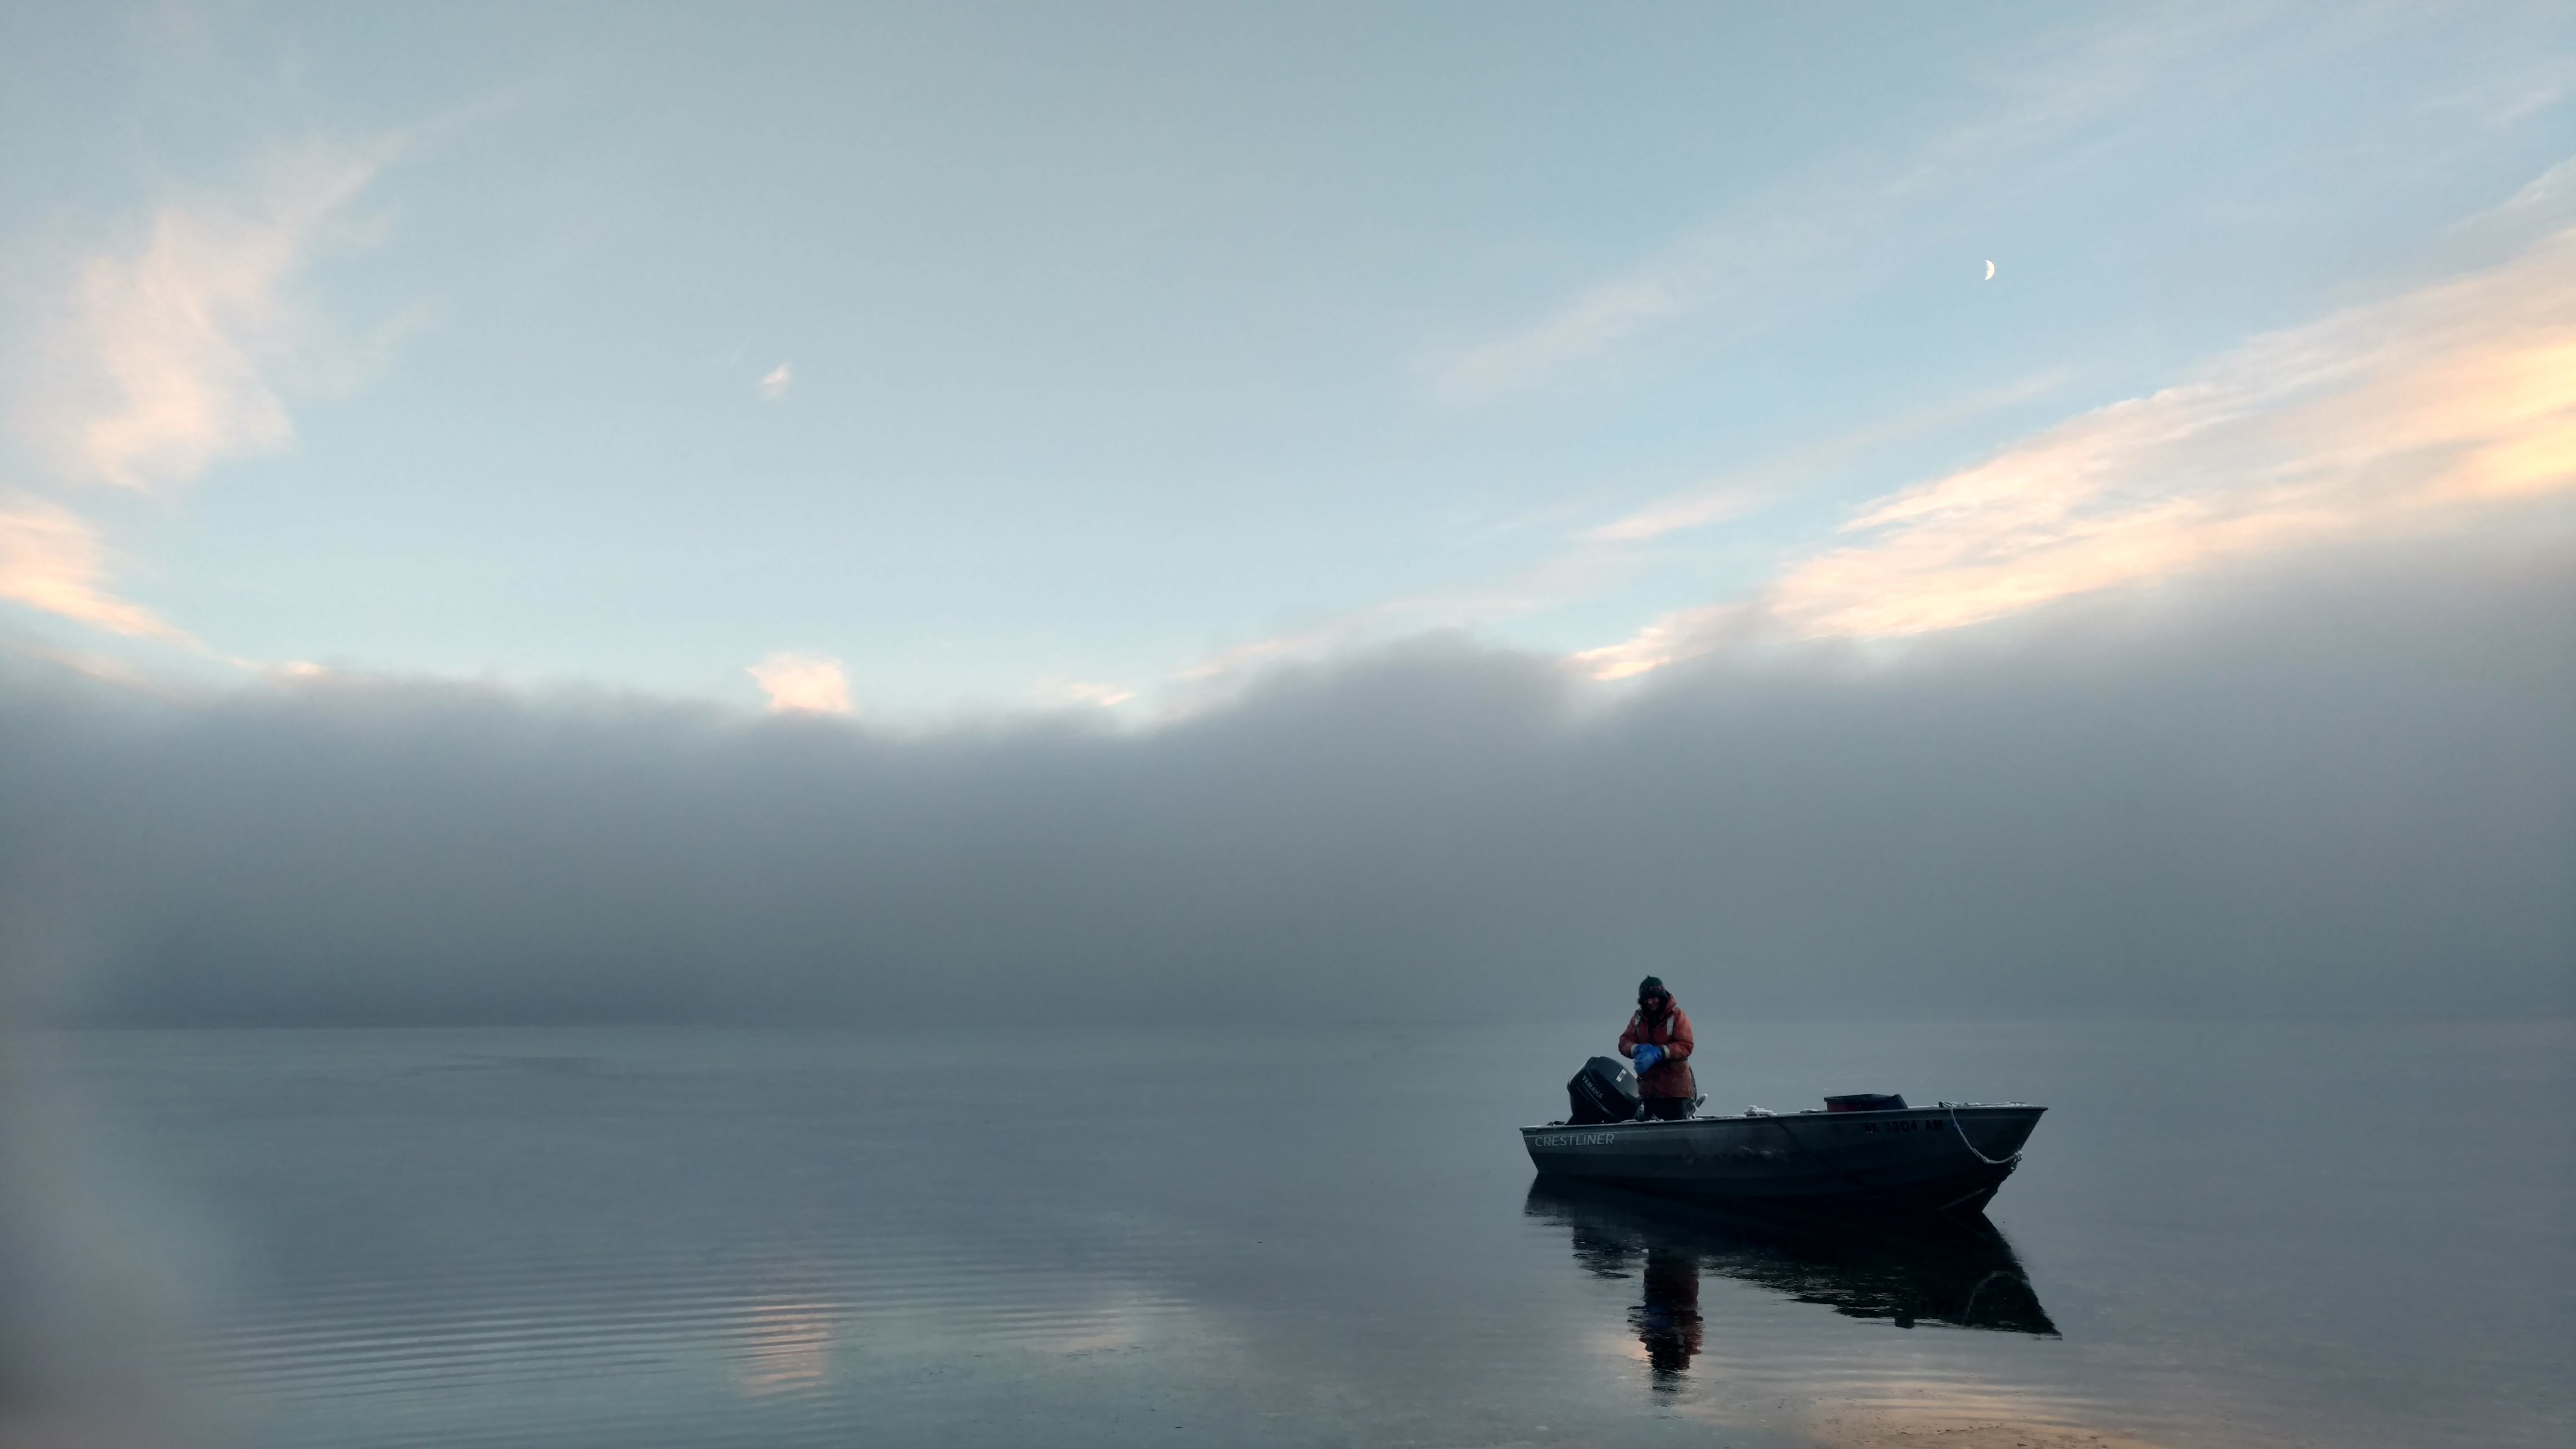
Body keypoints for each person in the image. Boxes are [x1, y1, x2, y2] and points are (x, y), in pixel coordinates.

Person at [1618, 976, 1696, 1120]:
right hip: (1648, 1092)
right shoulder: (1638, 1017)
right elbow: (1624, 1042)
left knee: (1676, 1132)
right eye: (1646, 999)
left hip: (1675, 1092)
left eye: (1654, 998)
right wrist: (1637, 1049)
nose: (1650, 1002)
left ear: (1662, 997)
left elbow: (1686, 1045)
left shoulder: (1677, 1015)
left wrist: (1659, 1053)